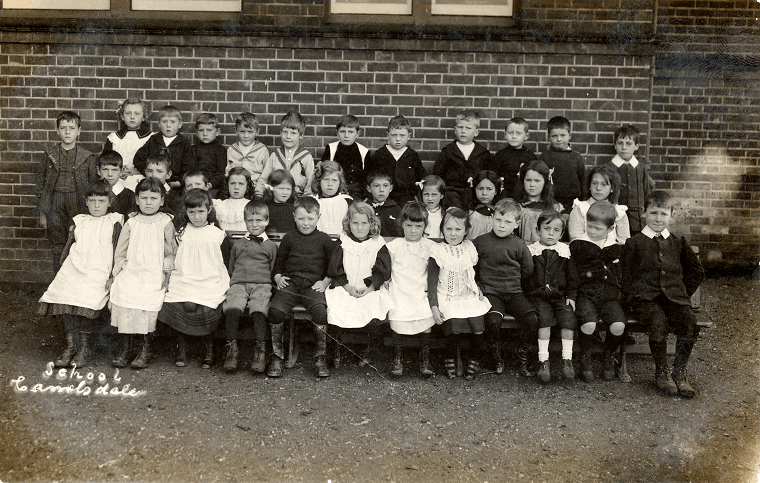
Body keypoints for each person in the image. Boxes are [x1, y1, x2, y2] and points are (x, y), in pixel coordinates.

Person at [623, 191, 705, 398]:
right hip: (646, 301)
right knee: (657, 322)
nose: (658, 219)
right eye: (653, 213)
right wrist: (635, 296)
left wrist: (682, 293)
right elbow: (625, 274)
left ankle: (680, 373)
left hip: (674, 299)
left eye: (663, 214)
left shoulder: (678, 243)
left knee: (688, 323)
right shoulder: (634, 243)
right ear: (643, 213)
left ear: (671, 215)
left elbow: (697, 272)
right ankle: (661, 373)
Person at [38, 180, 123, 369]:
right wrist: (64, 271)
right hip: (75, 267)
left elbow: (118, 251)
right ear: (86, 202)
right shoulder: (80, 221)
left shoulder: (115, 221)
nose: (96, 205)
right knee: (63, 293)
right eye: (92, 201)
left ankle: (84, 348)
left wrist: (113, 275)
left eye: (101, 201)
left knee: (87, 298)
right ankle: (70, 346)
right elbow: (68, 249)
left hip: (99, 271)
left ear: (109, 202)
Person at [157, 189, 229, 369]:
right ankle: (182, 347)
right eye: (192, 212)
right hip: (185, 277)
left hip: (210, 279)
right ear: (186, 212)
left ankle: (208, 348)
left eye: (201, 211)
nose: (196, 216)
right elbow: (172, 257)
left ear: (209, 210)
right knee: (178, 301)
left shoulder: (217, 234)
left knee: (207, 304)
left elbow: (224, 262)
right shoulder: (181, 233)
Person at [109, 178, 177, 370]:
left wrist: (167, 274)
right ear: (137, 200)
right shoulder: (132, 222)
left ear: (162, 201)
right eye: (144, 197)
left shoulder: (165, 222)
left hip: (154, 269)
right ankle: (127, 347)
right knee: (124, 291)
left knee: (149, 296)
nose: (148, 202)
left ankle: (145, 348)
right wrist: (118, 271)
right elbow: (121, 251)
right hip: (133, 268)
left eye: (153, 198)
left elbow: (170, 252)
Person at [267, 196, 335, 377]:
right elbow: (279, 263)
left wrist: (325, 281)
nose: (306, 223)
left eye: (310, 219)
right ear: (294, 217)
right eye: (301, 218)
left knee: (320, 312)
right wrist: (278, 277)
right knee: (275, 311)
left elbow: (332, 266)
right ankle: (277, 356)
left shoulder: (324, 239)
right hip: (291, 283)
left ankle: (320, 357)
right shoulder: (289, 238)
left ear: (318, 217)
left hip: (313, 286)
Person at [472, 198, 537, 377]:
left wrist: (513, 283)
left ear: (516, 224)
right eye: (498, 220)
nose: (501, 225)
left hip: (514, 292)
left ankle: (521, 354)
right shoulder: (481, 241)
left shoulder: (519, 244)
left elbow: (528, 269)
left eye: (507, 222)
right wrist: (479, 284)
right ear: (491, 218)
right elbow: (472, 266)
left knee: (531, 319)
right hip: (491, 293)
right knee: (493, 321)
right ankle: (496, 356)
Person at [371, 201, 436, 377]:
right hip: (400, 286)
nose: (413, 230)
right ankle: (397, 358)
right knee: (397, 309)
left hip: (420, 288)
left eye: (418, 226)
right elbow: (383, 266)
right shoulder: (394, 246)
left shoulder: (431, 247)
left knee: (424, 313)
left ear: (424, 226)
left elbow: (434, 272)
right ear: (402, 224)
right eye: (408, 225)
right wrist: (385, 278)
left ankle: (425, 359)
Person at [570, 201, 630, 383]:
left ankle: (608, 356)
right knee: (589, 324)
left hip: (609, 297)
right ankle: (585, 357)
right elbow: (572, 274)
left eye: (598, 228)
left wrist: (620, 291)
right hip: (586, 295)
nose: (592, 231)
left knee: (618, 325)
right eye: (590, 226)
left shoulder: (615, 248)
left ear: (611, 229)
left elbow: (621, 275)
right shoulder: (579, 246)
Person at [428, 208, 491, 380]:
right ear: (442, 229)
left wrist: (477, 288)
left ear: (466, 231)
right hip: (446, 296)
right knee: (453, 324)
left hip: (467, 294)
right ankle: (451, 358)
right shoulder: (438, 250)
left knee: (478, 324)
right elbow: (432, 281)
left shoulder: (469, 247)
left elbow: (473, 272)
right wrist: (434, 306)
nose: (453, 234)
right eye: (449, 229)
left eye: (458, 229)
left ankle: (474, 358)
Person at [325, 202, 390, 369]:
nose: (359, 228)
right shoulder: (343, 242)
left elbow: (381, 271)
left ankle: (371, 351)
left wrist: (369, 289)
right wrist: (347, 287)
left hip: (369, 288)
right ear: (348, 223)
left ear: (372, 224)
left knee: (375, 307)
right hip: (346, 286)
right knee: (336, 306)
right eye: (355, 223)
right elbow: (336, 268)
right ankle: (336, 349)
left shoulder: (377, 244)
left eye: (364, 223)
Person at [36, 111, 98, 273]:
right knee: (58, 244)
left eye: (72, 128)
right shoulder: (49, 155)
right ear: (57, 131)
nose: (68, 132)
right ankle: (58, 284)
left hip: (77, 203)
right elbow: (41, 184)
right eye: (63, 128)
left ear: (79, 131)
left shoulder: (87, 157)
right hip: (54, 203)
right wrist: (43, 213)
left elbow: (93, 187)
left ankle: (74, 285)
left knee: (78, 242)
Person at [221, 200, 277, 373]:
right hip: (239, 283)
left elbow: (273, 268)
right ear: (245, 221)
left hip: (262, 284)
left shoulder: (270, 246)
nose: (254, 224)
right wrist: (234, 283)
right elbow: (231, 267)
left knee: (259, 310)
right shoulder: (238, 245)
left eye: (259, 220)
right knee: (232, 308)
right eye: (250, 221)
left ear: (267, 221)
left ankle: (259, 351)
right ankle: (232, 350)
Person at [524, 211, 579, 383]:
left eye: (556, 230)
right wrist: (530, 294)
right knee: (544, 320)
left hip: (560, 296)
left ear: (562, 234)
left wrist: (571, 295)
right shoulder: (532, 251)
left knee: (568, 319)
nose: (551, 233)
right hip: (539, 296)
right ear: (538, 231)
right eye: (546, 229)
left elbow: (572, 276)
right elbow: (525, 276)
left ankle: (567, 360)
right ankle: (543, 361)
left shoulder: (565, 252)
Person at [433, 109, 491, 210]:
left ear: (476, 132)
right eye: (460, 127)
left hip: (474, 192)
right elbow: (438, 174)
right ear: (455, 130)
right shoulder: (448, 151)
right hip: (452, 192)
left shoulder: (482, 153)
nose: (463, 131)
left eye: (468, 128)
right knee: (456, 212)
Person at [365, 115, 426, 205]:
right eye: (394, 135)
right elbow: (369, 177)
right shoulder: (380, 155)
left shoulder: (412, 156)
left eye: (402, 135)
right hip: (385, 197)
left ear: (408, 136)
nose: (398, 139)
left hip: (407, 197)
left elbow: (421, 177)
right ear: (388, 135)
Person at [606, 125, 655, 234]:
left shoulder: (641, 169)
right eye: (620, 143)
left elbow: (647, 192)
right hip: (616, 220)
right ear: (615, 145)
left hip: (638, 221)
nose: (624, 148)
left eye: (628, 144)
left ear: (636, 146)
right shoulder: (609, 169)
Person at [530, 116, 585, 213]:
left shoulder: (576, 157)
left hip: (573, 203)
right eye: (554, 136)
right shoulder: (545, 157)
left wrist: (582, 203)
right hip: (551, 203)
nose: (559, 139)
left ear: (569, 135)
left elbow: (583, 181)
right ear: (548, 137)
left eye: (563, 135)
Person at [255, 111, 314, 200]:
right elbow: (263, 179)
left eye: (293, 133)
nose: (288, 136)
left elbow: (311, 182)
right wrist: (259, 196)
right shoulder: (275, 156)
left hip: (298, 200)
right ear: (280, 133)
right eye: (285, 132)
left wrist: (306, 200)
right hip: (276, 200)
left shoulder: (306, 157)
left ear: (301, 135)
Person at [133, 105, 192, 191]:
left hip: (174, 184)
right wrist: (149, 173)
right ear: (159, 123)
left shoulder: (183, 143)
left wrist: (180, 182)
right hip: (153, 182)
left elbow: (188, 166)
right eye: (164, 121)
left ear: (180, 124)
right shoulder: (154, 140)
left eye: (172, 122)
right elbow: (139, 159)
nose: (168, 125)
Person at [568, 164, 630, 244]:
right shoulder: (580, 208)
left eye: (604, 184)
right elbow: (575, 238)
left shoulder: (619, 212)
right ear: (589, 186)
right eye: (594, 183)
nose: (598, 188)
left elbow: (624, 240)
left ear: (612, 188)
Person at [101, 98, 152, 192]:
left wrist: (136, 171)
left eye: (137, 114)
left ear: (144, 117)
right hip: (118, 182)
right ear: (122, 116)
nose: (132, 117)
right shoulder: (114, 138)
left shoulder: (150, 138)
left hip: (142, 182)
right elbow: (105, 162)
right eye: (128, 113)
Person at [484, 117, 537, 197]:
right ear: (505, 135)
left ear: (526, 136)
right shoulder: (500, 154)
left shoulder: (530, 155)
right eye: (510, 133)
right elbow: (492, 176)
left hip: (524, 194)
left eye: (518, 133)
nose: (514, 136)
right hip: (503, 194)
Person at [514, 160, 563, 245]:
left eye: (537, 181)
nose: (532, 184)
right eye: (528, 180)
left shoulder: (554, 208)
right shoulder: (517, 207)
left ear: (545, 182)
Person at [321, 114, 369, 200]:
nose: (346, 136)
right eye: (343, 131)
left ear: (357, 134)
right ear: (337, 133)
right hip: (334, 190)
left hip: (355, 192)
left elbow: (366, 178)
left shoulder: (364, 152)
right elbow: (323, 172)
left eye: (350, 132)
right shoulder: (331, 149)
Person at [184, 113, 226, 197]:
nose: (205, 134)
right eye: (201, 130)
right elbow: (191, 170)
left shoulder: (220, 150)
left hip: (212, 186)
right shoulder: (193, 149)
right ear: (196, 132)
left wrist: (210, 184)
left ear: (217, 132)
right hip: (195, 184)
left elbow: (221, 173)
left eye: (209, 130)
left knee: (207, 198)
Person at [226, 112, 270, 187]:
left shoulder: (262, 150)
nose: (246, 136)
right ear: (236, 131)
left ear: (257, 132)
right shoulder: (231, 149)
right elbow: (228, 171)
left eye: (250, 132)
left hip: (255, 188)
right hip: (236, 188)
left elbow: (266, 174)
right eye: (242, 131)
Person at [312, 161, 353, 236]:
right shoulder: (313, 201)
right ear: (319, 181)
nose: (330, 184)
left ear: (340, 183)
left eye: (334, 180)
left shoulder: (346, 201)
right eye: (326, 179)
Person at [143, 154, 181, 227]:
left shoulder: (175, 197)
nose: (154, 175)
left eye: (159, 171)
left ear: (168, 174)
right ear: (145, 172)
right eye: (149, 171)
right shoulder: (141, 193)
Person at [213, 167, 254, 232]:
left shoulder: (252, 206)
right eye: (232, 183)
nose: (236, 187)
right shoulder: (220, 205)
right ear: (227, 185)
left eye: (241, 184)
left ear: (247, 186)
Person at [97, 150, 134, 218]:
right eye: (105, 169)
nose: (110, 174)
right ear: (98, 171)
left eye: (114, 170)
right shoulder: (92, 193)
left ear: (121, 171)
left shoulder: (130, 196)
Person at [366, 172, 402, 237]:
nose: (381, 190)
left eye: (385, 186)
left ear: (391, 188)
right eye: (376, 186)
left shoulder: (396, 209)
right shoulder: (365, 208)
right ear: (369, 188)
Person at [468, 170, 501, 240]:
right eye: (480, 189)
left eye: (489, 189)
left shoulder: (500, 212)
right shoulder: (469, 212)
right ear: (474, 189)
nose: (484, 193)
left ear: (496, 191)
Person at [262, 169, 297, 236]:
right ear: (271, 188)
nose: (285, 192)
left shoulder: (295, 209)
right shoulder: (265, 208)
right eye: (281, 188)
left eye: (288, 189)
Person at [419, 175, 445, 239]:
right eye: (426, 194)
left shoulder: (444, 213)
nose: (430, 198)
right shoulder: (418, 212)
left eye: (434, 194)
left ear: (441, 195)